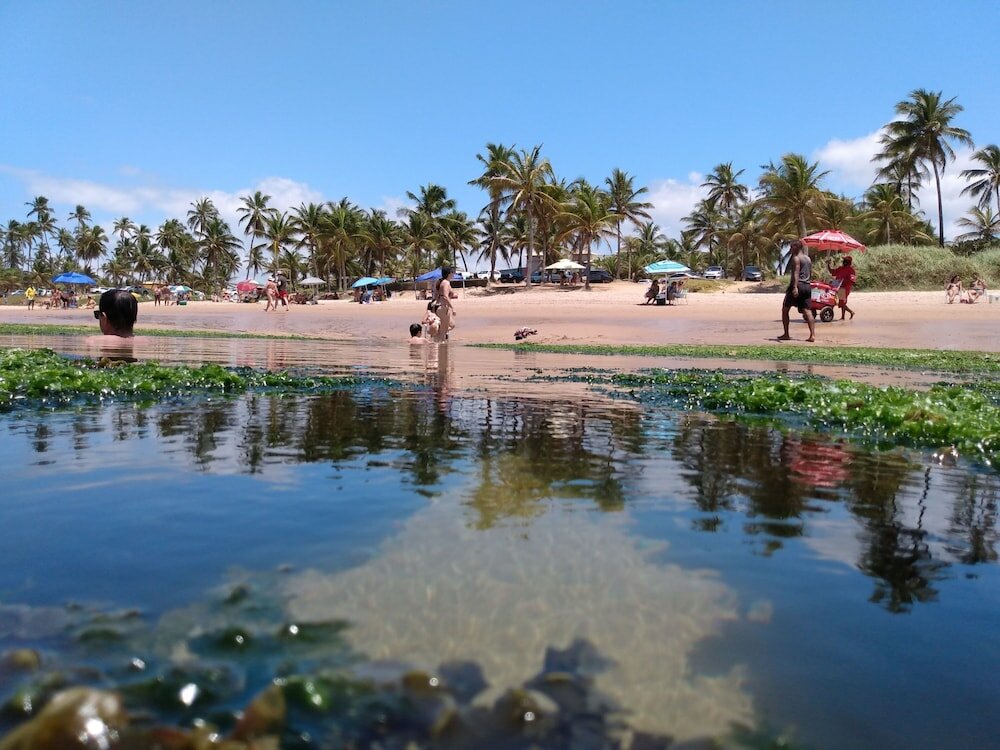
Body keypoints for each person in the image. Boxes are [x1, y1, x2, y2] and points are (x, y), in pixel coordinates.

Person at [778, 240, 816, 342]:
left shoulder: (796, 259)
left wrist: (794, 287)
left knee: (785, 309)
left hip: (798, 285)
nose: (790, 249)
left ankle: (786, 334)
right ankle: (812, 335)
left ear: (796, 247)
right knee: (807, 311)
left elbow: (796, 273)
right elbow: (810, 273)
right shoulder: (808, 259)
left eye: (792, 247)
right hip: (807, 286)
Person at [827, 255, 857, 319]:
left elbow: (853, 280)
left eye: (844, 260)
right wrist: (828, 265)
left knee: (842, 302)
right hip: (839, 287)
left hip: (845, 288)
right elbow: (832, 271)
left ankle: (850, 312)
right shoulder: (840, 268)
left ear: (847, 262)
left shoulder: (851, 270)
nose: (843, 261)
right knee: (841, 302)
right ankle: (843, 316)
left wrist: (848, 281)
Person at [432, 266, 456, 342]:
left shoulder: (443, 282)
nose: (453, 274)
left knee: (452, 325)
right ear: (449, 273)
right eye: (452, 272)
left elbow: (442, 295)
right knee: (443, 332)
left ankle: (437, 335)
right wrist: (452, 308)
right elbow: (445, 296)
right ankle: (441, 348)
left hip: (440, 307)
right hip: (443, 307)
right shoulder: (446, 282)